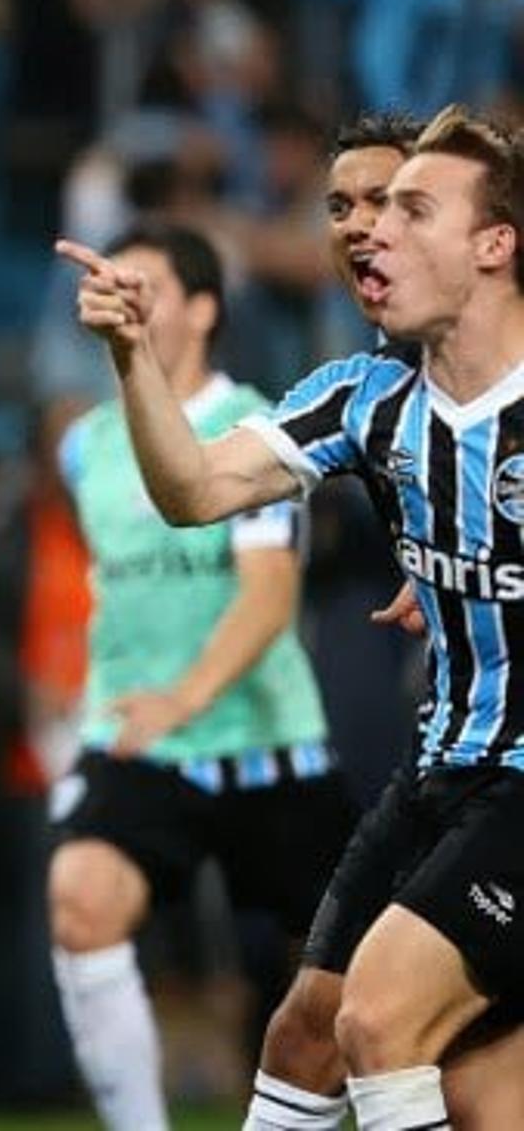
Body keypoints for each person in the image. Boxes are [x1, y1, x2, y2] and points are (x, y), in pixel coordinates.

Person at [67, 102, 524, 1131]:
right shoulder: (367, 401)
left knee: (380, 1020)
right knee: (317, 1038)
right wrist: (136, 357)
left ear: (493, 243)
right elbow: (191, 490)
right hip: (444, 771)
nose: (365, 229)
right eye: (350, 209)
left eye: (404, 207)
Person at [45, 224, 357, 1131]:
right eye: (118, 280)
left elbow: (267, 601)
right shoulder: (85, 445)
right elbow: (118, 588)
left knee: (356, 977)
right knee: (81, 902)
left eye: (148, 281)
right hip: (136, 737)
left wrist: (182, 695)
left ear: (205, 308)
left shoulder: (255, 425)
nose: (128, 292)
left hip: (263, 740)